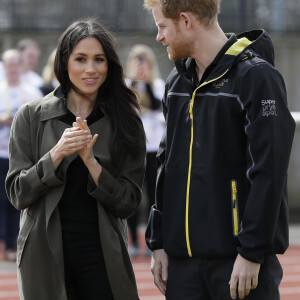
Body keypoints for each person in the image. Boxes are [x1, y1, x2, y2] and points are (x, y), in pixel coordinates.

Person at [143, 1, 296, 300]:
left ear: (186, 21)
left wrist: (251, 252)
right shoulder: (177, 82)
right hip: (182, 266)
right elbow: (166, 162)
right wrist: (158, 240)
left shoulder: (256, 78)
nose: (159, 37)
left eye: (162, 26)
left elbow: (269, 172)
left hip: (239, 264)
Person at [6, 18, 146, 300]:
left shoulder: (127, 122)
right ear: (64, 62)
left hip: (102, 256)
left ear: (110, 65)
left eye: (99, 59)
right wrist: (57, 153)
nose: (90, 69)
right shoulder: (30, 116)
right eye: (80, 59)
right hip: (43, 255)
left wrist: (92, 164)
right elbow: (18, 194)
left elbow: (129, 203)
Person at [0, 49, 42, 261]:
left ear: (21, 66)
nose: (12, 69)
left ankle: (19, 244)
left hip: (23, 155)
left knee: (19, 201)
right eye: (8, 65)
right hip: (1, 154)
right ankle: (7, 244)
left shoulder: (32, 92)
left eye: (15, 65)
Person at [126, 44, 165, 257]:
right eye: (136, 61)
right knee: (133, 197)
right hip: (133, 148)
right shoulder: (126, 85)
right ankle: (132, 241)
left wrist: (147, 83)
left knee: (153, 196)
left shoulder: (157, 85)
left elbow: (159, 106)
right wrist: (134, 81)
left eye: (144, 62)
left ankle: (152, 240)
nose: (140, 66)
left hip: (153, 149)